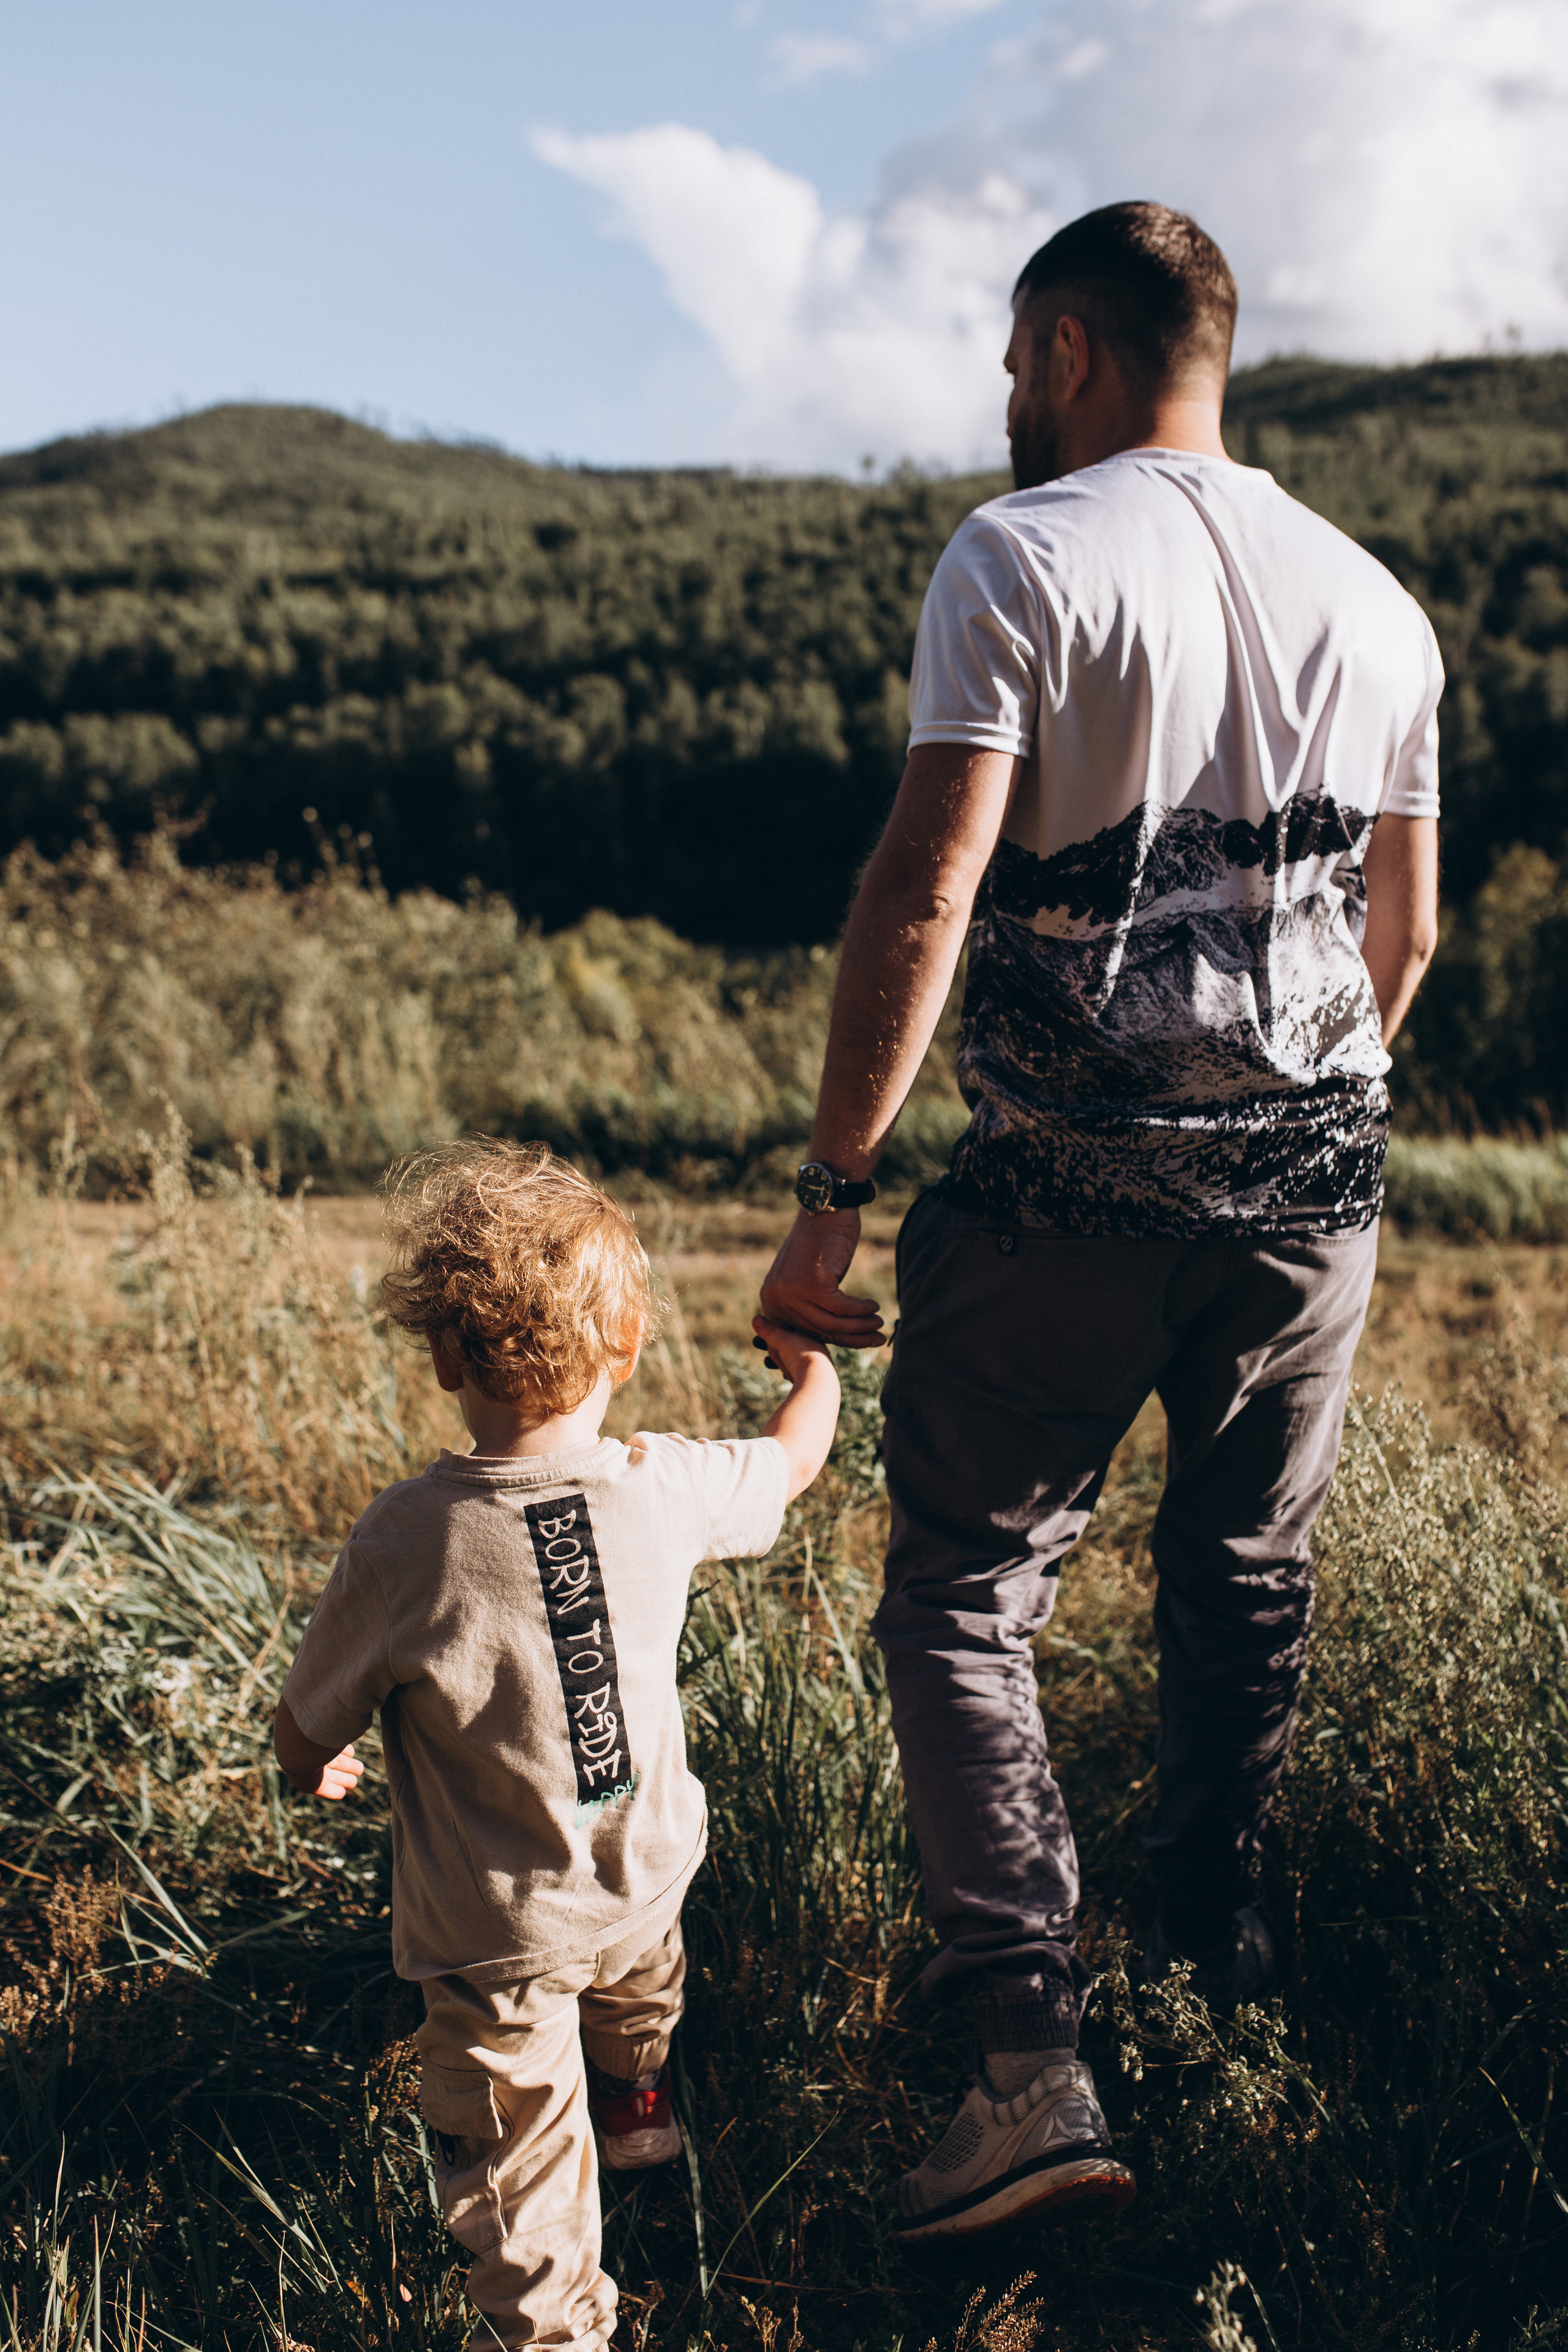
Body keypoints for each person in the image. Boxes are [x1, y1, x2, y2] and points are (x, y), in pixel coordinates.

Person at [761, 201, 1441, 2244]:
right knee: (1247, 1582)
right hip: (1312, 1199)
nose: (1005, 398)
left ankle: (1026, 2067)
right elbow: (1404, 936)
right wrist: (1280, 1119)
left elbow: (929, 884)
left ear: (1068, 348)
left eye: (1011, 361)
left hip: (1063, 1192)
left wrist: (832, 1197)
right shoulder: (1382, 605)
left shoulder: (1022, 557)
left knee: (967, 1599)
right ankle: (1220, 1986)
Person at [274, 1140, 840, 2350]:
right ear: (626, 1348)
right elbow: (794, 1461)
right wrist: (813, 1366)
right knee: (640, 1991)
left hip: (499, 1941)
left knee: (518, 2163)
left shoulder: (406, 1540)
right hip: (644, 1876)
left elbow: (306, 1722)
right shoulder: (663, 1486)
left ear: (443, 1358)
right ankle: (637, 2107)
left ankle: (550, 2330)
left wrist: (309, 1765)